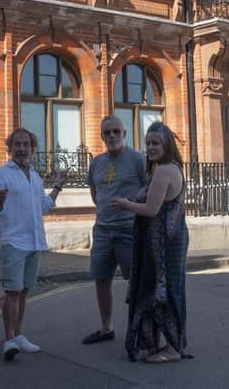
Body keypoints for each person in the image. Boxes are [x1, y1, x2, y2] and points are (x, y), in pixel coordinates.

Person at [112, 121, 189, 363]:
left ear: (167, 144)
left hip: (163, 245)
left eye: (156, 143)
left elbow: (151, 209)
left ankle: (172, 349)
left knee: (161, 290)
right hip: (167, 240)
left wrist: (126, 204)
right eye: (147, 143)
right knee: (163, 289)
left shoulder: (164, 171)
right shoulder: (171, 167)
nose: (150, 147)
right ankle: (159, 344)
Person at [0, 128, 68, 360]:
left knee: (23, 292)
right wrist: (0, 200)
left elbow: (42, 206)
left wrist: (59, 186)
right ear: (10, 148)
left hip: (34, 241)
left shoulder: (34, 176)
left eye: (26, 144)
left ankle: (19, 334)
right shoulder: (1, 175)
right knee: (12, 292)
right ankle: (8, 340)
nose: (21, 149)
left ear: (32, 149)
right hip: (14, 240)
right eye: (17, 145)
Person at [82, 115, 146, 345]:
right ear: (101, 136)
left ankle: (141, 330)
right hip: (102, 230)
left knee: (137, 281)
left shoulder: (138, 159)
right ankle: (106, 328)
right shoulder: (96, 163)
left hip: (129, 230)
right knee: (101, 278)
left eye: (115, 131)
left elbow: (149, 190)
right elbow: (95, 194)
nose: (111, 136)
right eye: (107, 132)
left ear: (124, 134)